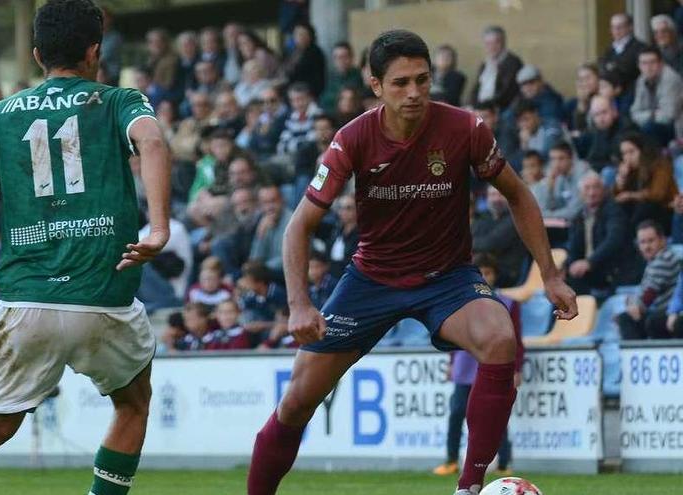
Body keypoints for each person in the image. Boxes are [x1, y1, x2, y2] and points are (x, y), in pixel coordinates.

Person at [246, 30, 577, 495]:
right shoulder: (352, 138)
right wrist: (300, 304)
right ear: (375, 85)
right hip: (371, 280)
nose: (415, 93)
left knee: (500, 338)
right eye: (401, 83)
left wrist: (552, 274)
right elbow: (297, 226)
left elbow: (519, 196)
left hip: (449, 278)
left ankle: (469, 487)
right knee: (298, 403)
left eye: (422, 80)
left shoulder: (466, 128)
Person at [0, 2, 171, 495]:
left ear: (36, 55)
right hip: (103, 295)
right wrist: (158, 227)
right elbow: (154, 144)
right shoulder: (119, 101)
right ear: (94, 51)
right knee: (133, 403)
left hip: (25, 297)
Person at [433, 253, 522, 478]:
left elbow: (516, 339)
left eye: (488, 272)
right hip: (464, 366)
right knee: (456, 413)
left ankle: (504, 462)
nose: (484, 277)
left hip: (495, 365)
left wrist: (517, 368)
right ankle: (452, 459)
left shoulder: (508, 303)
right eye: (480, 272)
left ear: (495, 275)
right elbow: (452, 335)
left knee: (494, 415)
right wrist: (452, 362)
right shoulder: (460, 301)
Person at [564, 172, 632, 298]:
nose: (591, 192)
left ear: (604, 190)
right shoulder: (579, 216)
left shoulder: (614, 211)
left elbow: (614, 240)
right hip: (589, 270)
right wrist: (570, 266)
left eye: (596, 187)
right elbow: (573, 247)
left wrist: (589, 262)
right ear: (581, 193)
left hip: (610, 270)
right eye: (587, 188)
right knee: (559, 287)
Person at [618, 220, 681, 340]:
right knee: (626, 317)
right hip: (660, 311)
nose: (646, 247)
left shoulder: (665, 259)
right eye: (642, 242)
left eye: (651, 241)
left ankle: (635, 354)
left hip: (671, 312)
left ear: (663, 240)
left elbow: (650, 293)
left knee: (627, 319)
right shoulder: (654, 259)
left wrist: (637, 306)